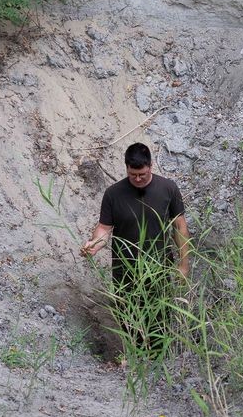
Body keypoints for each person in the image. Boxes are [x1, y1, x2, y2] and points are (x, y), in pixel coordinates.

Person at [81, 142, 190, 353]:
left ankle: (159, 360)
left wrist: (184, 264)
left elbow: (180, 227)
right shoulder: (113, 193)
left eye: (142, 174)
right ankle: (135, 357)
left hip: (159, 267)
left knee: (159, 318)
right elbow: (104, 228)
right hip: (125, 271)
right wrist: (94, 245)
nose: (138, 179)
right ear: (126, 169)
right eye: (133, 175)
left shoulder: (168, 188)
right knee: (129, 318)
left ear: (150, 166)